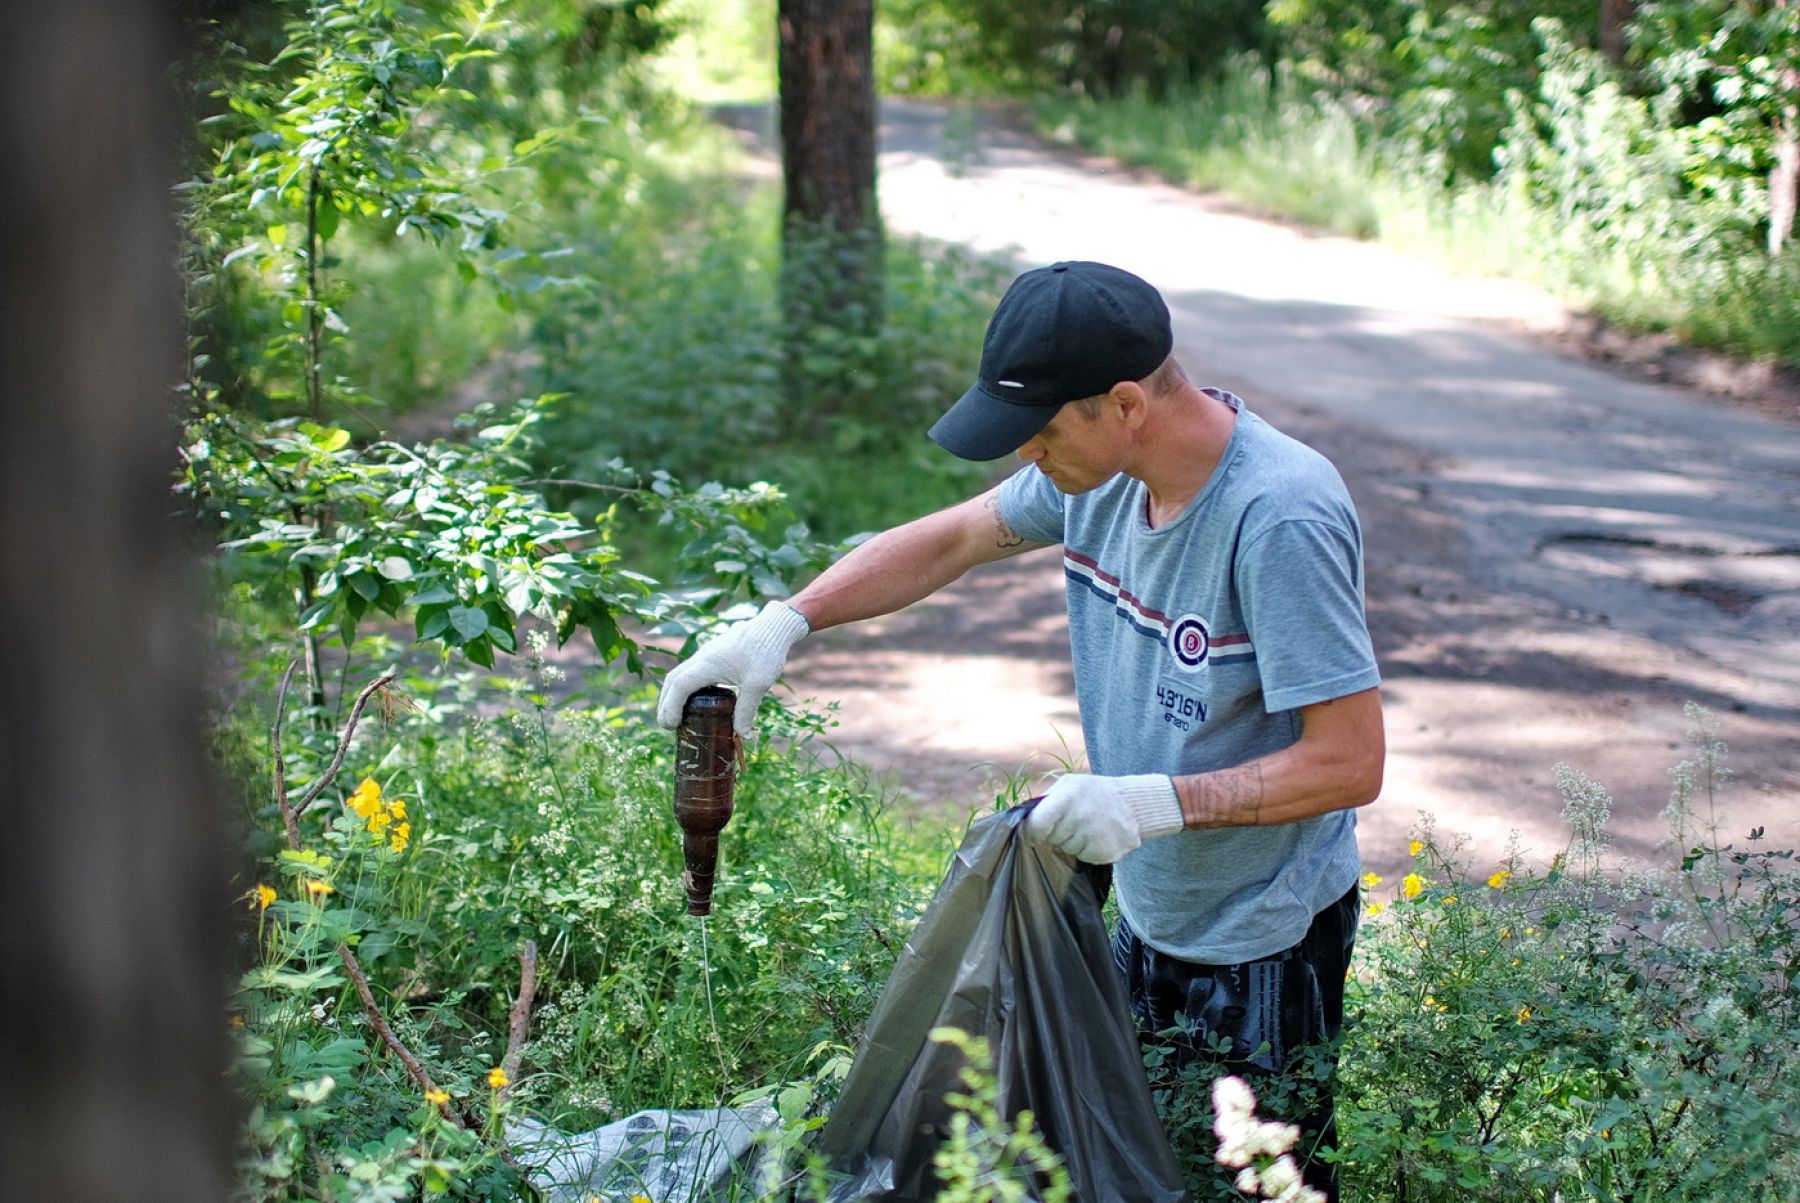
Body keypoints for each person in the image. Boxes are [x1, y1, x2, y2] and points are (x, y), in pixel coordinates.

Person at [656, 260, 1384, 1198]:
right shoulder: (1099, 476)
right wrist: (787, 621)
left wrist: (1158, 801)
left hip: (1266, 941)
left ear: (1124, 403)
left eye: (1039, 434)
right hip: (1146, 906)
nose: (1027, 459)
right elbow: (955, 536)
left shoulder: (1279, 513)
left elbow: (1351, 760)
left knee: (1248, 1185)